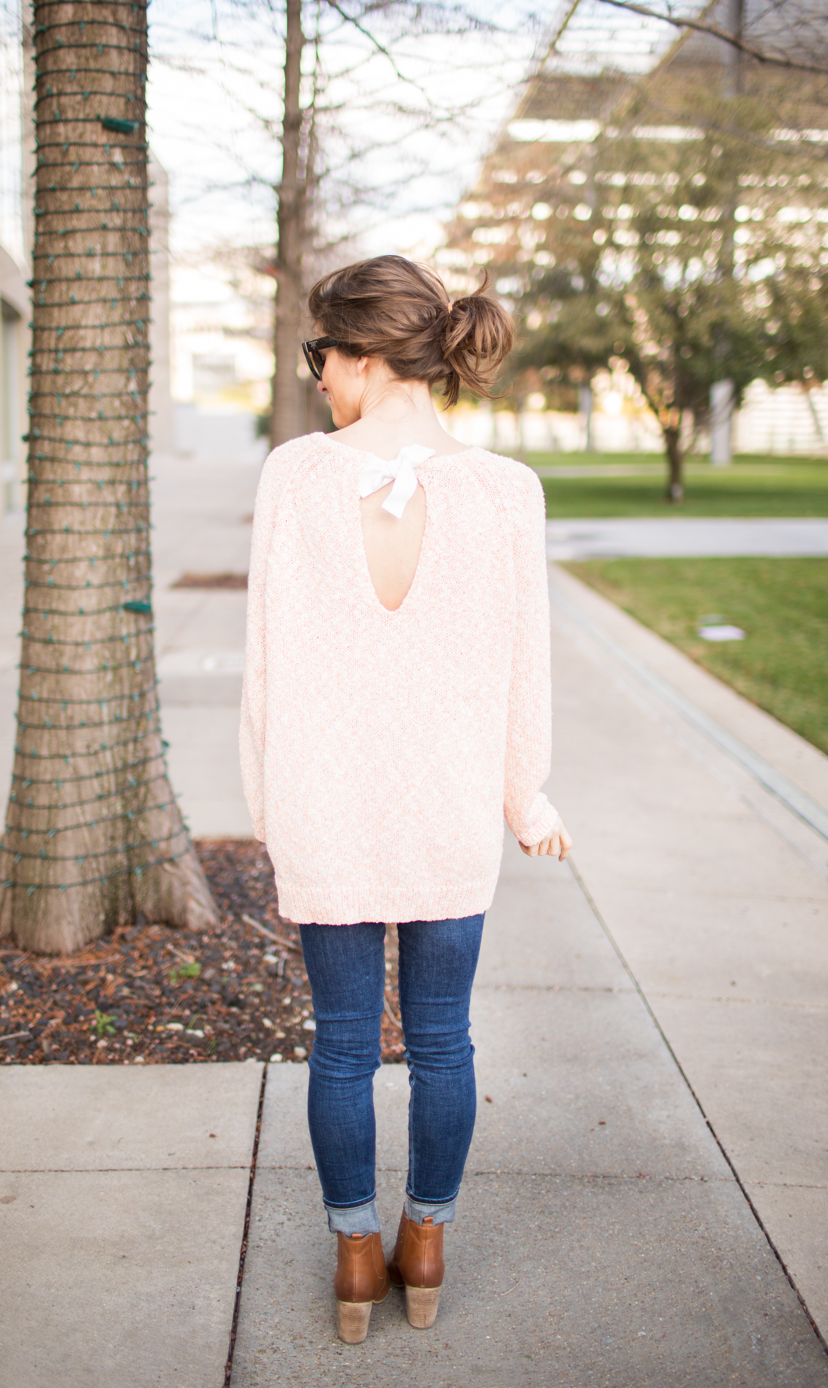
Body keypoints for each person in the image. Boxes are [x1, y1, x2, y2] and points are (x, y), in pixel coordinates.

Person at [240, 254, 571, 1345]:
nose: (317, 377)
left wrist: (267, 807)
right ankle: (423, 1242)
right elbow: (529, 667)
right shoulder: (507, 489)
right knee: (442, 1042)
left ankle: (353, 1256)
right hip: (447, 810)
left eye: (320, 355)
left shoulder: (293, 473)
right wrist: (525, 798)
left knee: (340, 1044)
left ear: (365, 354)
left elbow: (263, 669)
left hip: (326, 808)